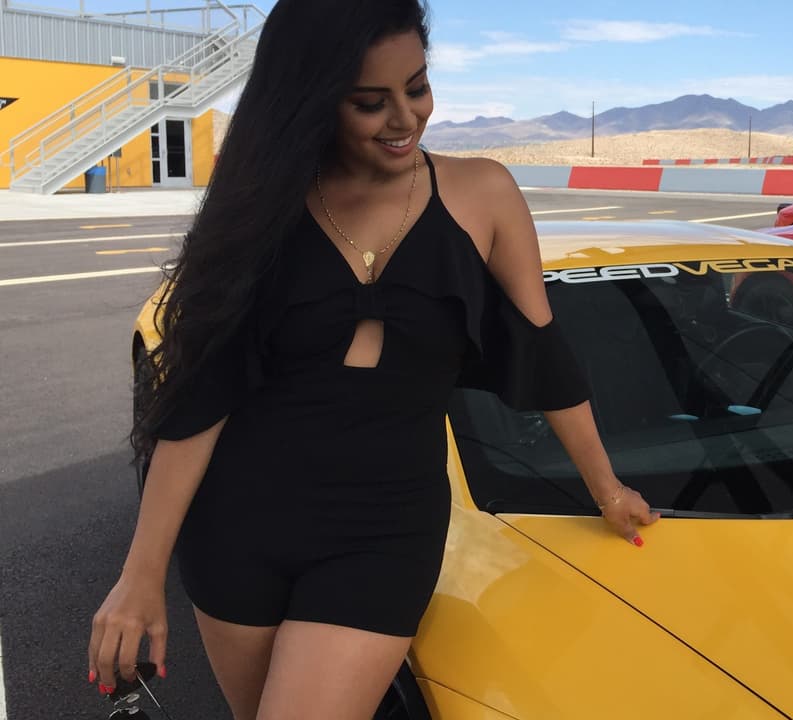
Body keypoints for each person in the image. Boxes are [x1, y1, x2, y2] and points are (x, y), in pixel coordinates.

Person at [85, 1, 658, 718]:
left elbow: (545, 355)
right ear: (314, 98)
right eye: (369, 102)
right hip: (238, 527)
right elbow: (203, 398)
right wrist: (141, 575)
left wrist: (606, 488)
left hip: (384, 532)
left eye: (417, 88)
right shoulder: (261, 205)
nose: (405, 118)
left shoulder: (483, 193)